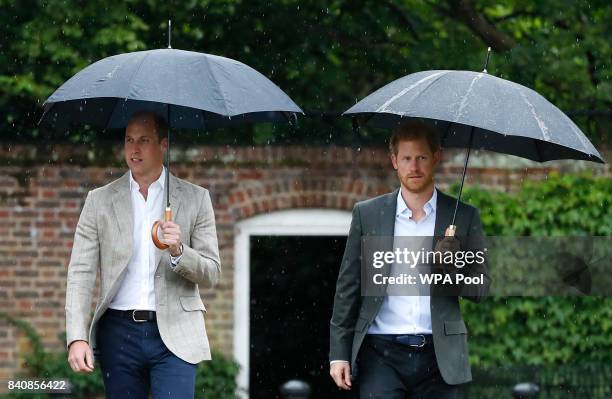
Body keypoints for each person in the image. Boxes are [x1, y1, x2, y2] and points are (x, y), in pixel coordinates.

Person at [65, 111, 220, 398]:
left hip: (177, 332)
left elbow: (212, 271)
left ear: (163, 146)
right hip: (118, 334)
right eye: (129, 140)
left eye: (144, 140)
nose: (134, 149)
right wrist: (76, 337)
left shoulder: (196, 198)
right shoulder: (99, 201)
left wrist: (179, 251)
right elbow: (80, 273)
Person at [329, 121, 490, 398]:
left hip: (440, 356)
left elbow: (481, 289)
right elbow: (348, 288)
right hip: (381, 354)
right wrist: (338, 354)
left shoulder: (463, 216)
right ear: (394, 161)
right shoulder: (367, 215)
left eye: (421, 157)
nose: (413, 167)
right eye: (406, 158)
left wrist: (453, 267)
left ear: (436, 157)